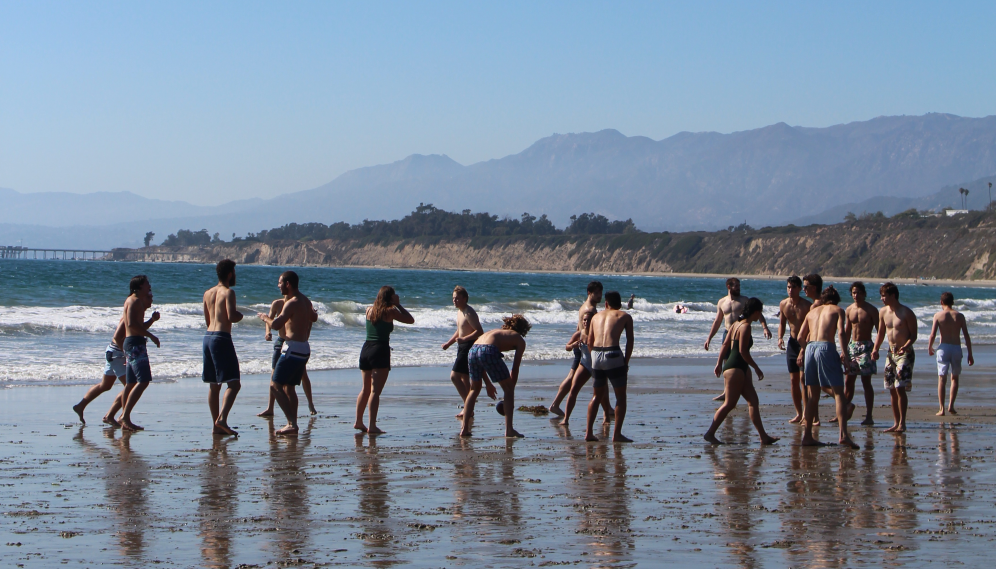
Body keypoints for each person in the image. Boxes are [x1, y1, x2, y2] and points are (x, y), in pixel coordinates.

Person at [705, 297, 779, 445]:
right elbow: (743, 352)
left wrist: (719, 363)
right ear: (756, 312)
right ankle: (710, 433)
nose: (760, 316)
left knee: (753, 401)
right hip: (736, 368)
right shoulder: (745, 327)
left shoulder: (736, 324)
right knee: (729, 404)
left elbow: (725, 344)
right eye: (760, 313)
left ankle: (763, 437)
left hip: (738, 367)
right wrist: (756, 368)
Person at [73, 305, 160, 426]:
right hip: (117, 353)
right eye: (148, 296)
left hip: (113, 352)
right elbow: (117, 337)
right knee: (130, 385)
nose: (150, 298)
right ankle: (113, 416)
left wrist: (152, 320)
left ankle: (80, 406)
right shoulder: (130, 314)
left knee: (105, 385)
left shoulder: (138, 314)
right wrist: (126, 354)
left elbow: (138, 329)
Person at [796, 285, 858, 448]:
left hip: (810, 347)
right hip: (826, 347)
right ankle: (843, 435)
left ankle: (807, 435)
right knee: (838, 393)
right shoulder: (838, 310)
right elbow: (841, 333)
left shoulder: (811, 312)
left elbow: (800, 337)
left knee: (812, 395)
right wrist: (846, 355)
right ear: (836, 300)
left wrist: (805, 350)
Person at [257, 271, 317, 436]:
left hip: (293, 348)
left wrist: (264, 318)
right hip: (304, 348)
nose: (278, 286)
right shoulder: (306, 300)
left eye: (280, 283)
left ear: (288, 284)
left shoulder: (291, 302)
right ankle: (293, 423)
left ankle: (292, 423)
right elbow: (314, 317)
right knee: (290, 388)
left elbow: (276, 324)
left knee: (275, 385)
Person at [354, 286, 415, 434]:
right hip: (380, 350)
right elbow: (410, 320)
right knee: (375, 391)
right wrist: (398, 304)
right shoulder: (391, 311)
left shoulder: (368, 309)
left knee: (365, 388)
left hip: (366, 349)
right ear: (390, 298)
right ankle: (372, 425)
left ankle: (358, 421)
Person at [460, 315, 531, 438]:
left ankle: (464, 429)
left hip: (473, 350)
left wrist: (488, 383)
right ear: (523, 330)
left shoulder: (496, 332)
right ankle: (509, 430)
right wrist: (510, 389)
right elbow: (515, 368)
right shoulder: (519, 340)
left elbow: (480, 357)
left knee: (474, 389)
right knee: (508, 389)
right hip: (488, 350)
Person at [705, 277, 772, 401]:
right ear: (729, 287)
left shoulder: (744, 300)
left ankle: (747, 386)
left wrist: (765, 327)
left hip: (742, 332)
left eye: (739, 286)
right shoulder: (722, 302)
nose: (738, 288)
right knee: (727, 362)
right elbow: (718, 321)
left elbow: (759, 314)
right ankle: (727, 391)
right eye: (736, 286)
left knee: (742, 360)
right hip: (728, 332)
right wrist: (709, 338)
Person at [559, 281, 614, 425]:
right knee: (575, 385)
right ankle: (565, 416)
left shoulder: (586, 307)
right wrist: (576, 343)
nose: (599, 296)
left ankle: (606, 414)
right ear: (589, 293)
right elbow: (584, 330)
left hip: (592, 355)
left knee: (601, 389)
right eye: (597, 293)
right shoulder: (589, 310)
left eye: (601, 293)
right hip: (586, 354)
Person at [585, 291, 634, 443]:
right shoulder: (624, 316)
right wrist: (625, 362)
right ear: (620, 304)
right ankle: (617, 434)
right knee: (620, 396)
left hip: (596, 355)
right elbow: (630, 341)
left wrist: (594, 358)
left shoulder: (596, 317)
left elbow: (589, 341)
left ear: (606, 303)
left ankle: (588, 433)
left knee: (596, 396)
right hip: (613, 353)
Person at [202, 259, 243, 436]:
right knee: (234, 383)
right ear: (229, 274)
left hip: (208, 337)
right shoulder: (229, 292)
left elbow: (207, 319)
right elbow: (231, 316)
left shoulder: (207, 293)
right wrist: (241, 315)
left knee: (214, 384)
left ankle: (215, 426)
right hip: (221, 338)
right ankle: (222, 419)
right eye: (234, 272)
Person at [872, 282, 918, 433]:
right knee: (891, 388)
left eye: (884, 295)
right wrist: (875, 349)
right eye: (881, 295)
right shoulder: (883, 312)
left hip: (905, 353)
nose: (882, 298)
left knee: (900, 387)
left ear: (893, 295)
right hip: (890, 353)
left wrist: (906, 345)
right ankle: (896, 422)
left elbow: (913, 335)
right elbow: (881, 333)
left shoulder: (906, 313)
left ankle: (902, 423)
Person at [119, 275, 160, 432]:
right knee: (143, 381)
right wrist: (152, 336)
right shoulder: (134, 301)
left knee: (130, 384)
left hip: (131, 343)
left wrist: (151, 320)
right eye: (147, 284)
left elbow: (138, 325)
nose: (149, 286)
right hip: (135, 344)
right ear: (140, 286)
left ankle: (125, 418)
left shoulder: (133, 300)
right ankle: (125, 416)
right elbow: (131, 325)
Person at [928, 292, 973, 416]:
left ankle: (941, 408)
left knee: (942, 378)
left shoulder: (938, 315)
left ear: (941, 302)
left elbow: (933, 334)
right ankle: (951, 406)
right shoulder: (960, 316)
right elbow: (966, 336)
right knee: (955, 378)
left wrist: (930, 346)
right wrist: (970, 353)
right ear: (953, 302)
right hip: (956, 348)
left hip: (944, 348)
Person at [442, 286, 484, 418]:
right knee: (464, 379)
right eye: (453, 298)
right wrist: (449, 343)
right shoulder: (460, 312)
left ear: (464, 299)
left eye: (457, 298)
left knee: (454, 376)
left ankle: (467, 406)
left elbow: (479, 331)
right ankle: (469, 409)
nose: (454, 301)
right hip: (462, 346)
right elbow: (460, 330)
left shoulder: (469, 312)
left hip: (468, 347)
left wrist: (464, 339)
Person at [843, 282, 879, 426]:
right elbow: (846, 332)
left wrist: (876, 348)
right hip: (852, 346)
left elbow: (879, 331)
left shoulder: (871, 310)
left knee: (866, 382)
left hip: (866, 347)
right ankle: (844, 410)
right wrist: (844, 351)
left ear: (864, 293)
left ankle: (869, 415)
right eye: (853, 293)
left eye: (858, 292)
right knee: (848, 381)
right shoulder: (849, 309)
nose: (856, 295)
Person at [777, 276, 812, 424]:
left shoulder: (807, 306)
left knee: (804, 380)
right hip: (792, 343)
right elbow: (782, 323)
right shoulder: (783, 304)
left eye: (793, 287)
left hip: (804, 343)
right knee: (793, 380)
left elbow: (811, 328)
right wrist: (780, 338)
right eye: (788, 287)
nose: (790, 290)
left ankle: (806, 413)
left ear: (799, 289)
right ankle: (798, 413)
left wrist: (804, 349)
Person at [549, 312, 591, 416]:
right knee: (572, 379)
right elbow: (567, 346)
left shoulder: (595, 332)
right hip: (583, 356)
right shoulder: (588, 307)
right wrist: (573, 345)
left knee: (600, 385)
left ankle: (607, 409)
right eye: (584, 320)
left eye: (588, 320)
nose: (586, 322)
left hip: (590, 358)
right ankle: (556, 405)